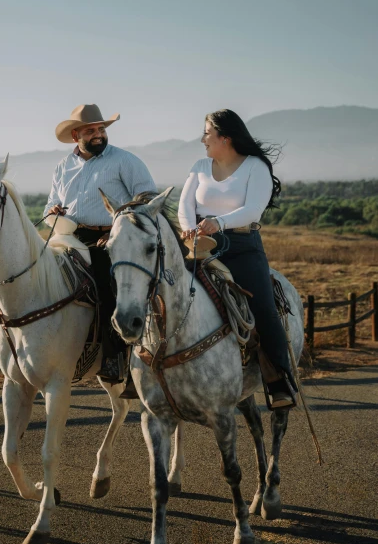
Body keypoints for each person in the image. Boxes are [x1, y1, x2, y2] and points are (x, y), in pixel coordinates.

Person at [178, 108, 297, 408]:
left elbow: (253, 210)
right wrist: (189, 229)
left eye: (207, 133)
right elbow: (184, 205)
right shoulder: (199, 165)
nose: (202, 139)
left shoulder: (255, 167)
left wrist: (218, 222)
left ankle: (278, 380)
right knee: (159, 288)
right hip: (198, 244)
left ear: (225, 138)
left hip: (241, 243)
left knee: (264, 308)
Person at [45, 103, 157, 384]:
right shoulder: (62, 166)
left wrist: (119, 232)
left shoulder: (125, 161)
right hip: (70, 235)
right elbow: (50, 204)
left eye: (101, 129)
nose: (98, 135)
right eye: (91, 130)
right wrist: (54, 211)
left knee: (107, 287)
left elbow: (146, 200)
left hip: (113, 237)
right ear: (75, 136)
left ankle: (114, 357)